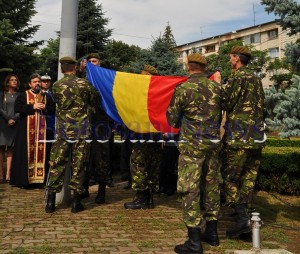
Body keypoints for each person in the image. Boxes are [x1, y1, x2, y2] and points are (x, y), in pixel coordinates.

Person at [167, 53, 222, 254]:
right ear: (204, 67)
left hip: (192, 146)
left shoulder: (183, 89)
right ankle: (213, 233)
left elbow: (172, 119)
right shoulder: (216, 89)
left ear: (189, 67)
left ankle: (194, 241)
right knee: (212, 185)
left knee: (190, 189)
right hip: (213, 145)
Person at [221, 46, 265, 239]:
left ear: (237, 58)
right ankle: (246, 220)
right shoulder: (256, 79)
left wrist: (218, 86)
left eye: (231, 57)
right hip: (255, 135)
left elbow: (226, 103)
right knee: (248, 177)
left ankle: (242, 220)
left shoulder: (237, 77)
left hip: (239, 136)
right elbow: (263, 104)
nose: (230, 60)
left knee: (230, 177)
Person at [45, 56, 98, 213]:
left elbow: (55, 102)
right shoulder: (84, 84)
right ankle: (76, 202)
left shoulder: (56, 86)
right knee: (79, 164)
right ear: (74, 67)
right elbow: (96, 100)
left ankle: (51, 202)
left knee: (57, 163)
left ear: (62, 69)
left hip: (62, 130)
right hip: (81, 130)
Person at [124, 64, 163, 210]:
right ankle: (150, 198)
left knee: (138, 164)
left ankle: (141, 198)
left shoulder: (141, 92)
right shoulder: (160, 92)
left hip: (143, 133)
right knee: (153, 164)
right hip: (156, 133)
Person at [77, 52, 112, 204]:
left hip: (101, 124)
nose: (92, 63)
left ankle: (102, 191)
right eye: (89, 61)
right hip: (85, 123)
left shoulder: (104, 79)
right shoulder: (83, 80)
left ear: (99, 63)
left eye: (94, 61)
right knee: (84, 157)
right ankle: (83, 188)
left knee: (101, 158)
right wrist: (80, 71)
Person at [10, 74, 55, 187]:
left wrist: (45, 107)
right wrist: (32, 107)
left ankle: (40, 181)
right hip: (26, 130)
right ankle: (25, 181)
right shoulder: (23, 95)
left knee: (43, 154)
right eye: (35, 81)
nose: (37, 83)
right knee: (25, 154)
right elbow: (17, 108)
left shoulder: (46, 96)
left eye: (39, 81)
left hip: (43, 131)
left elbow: (53, 109)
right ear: (30, 84)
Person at [0, 74, 20, 183]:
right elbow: (0, 108)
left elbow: (20, 109)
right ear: (7, 82)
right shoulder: (2, 94)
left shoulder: (19, 95)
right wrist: (8, 118)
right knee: (1, 149)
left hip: (15, 123)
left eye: (15, 80)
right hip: (3, 124)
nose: (14, 82)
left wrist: (14, 119)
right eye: (12, 80)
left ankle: (8, 174)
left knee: (11, 149)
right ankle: (0, 174)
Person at [40, 74, 55, 183]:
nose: (46, 83)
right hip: (38, 125)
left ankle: (48, 176)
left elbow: (55, 107)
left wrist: (46, 107)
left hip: (51, 126)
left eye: (48, 81)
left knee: (50, 151)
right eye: (44, 81)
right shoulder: (36, 93)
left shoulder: (53, 93)